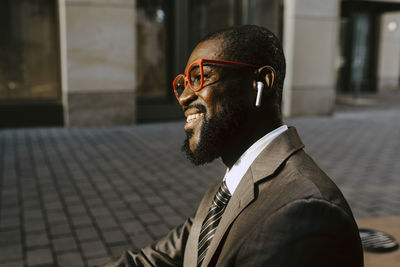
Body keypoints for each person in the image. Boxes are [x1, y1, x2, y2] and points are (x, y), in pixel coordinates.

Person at [103, 25, 363, 267]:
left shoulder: (305, 212)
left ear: (260, 82)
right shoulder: (226, 187)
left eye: (200, 76)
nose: (183, 97)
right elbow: (153, 260)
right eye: (184, 82)